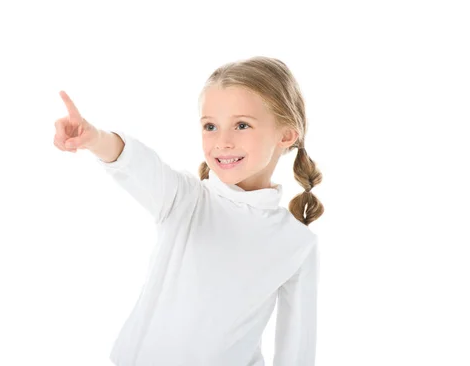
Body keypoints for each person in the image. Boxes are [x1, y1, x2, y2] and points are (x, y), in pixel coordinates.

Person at [53, 56, 324, 366]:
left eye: (242, 125)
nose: (222, 141)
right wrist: (96, 139)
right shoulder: (185, 200)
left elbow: (297, 348)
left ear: (286, 134)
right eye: (210, 126)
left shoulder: (297, 244)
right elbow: (138, 164)